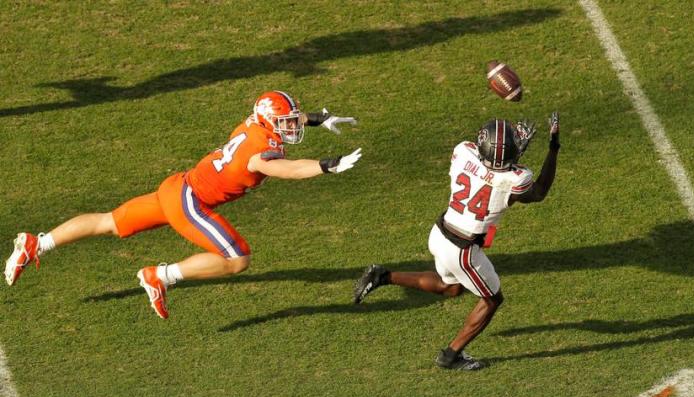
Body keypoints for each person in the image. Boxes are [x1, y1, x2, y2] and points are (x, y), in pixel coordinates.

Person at [4, 90, 361, 319]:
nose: (293, 126)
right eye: (286, 122)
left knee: (109, 222)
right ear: (269, 122)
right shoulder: (258, 152)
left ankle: (38, 243)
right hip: (190, 202)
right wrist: (325, 165)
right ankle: (160, 275)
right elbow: (286, 169)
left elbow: (280, 123)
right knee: (238, 259)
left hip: (177, 187)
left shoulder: (252, 125)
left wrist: (319, 117)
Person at [353, 113, 560, 370]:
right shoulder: (516, 179)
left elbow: (489, 165)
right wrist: (553, 146)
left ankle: (382, 276)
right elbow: (538, 192)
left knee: (450, 288)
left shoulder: (463, 152)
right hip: (463, 250)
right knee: (493, 299)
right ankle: (451, 356)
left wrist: (506, 151)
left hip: (439, 233)